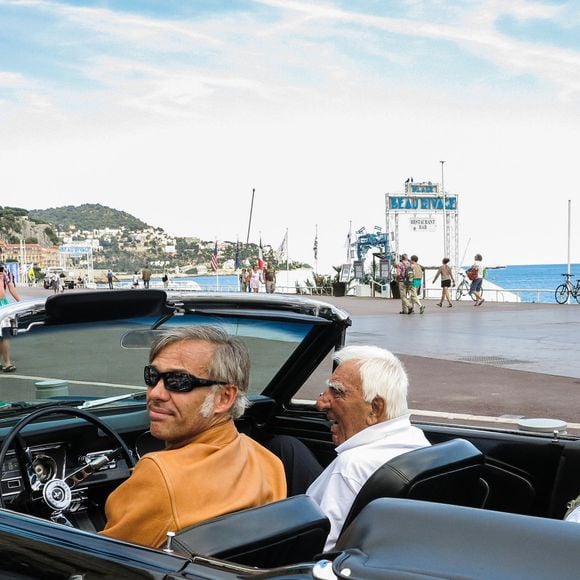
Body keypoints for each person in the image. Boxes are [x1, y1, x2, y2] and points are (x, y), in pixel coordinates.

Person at [100, 325, 286, 548]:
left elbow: (101, 564)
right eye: (152, 376)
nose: (155, 393)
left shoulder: (160, 475)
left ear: (224, 398)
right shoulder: (269, 463)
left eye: (178, 381)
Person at [306, 345, 431, 551]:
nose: (321, 403)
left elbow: (320, 553)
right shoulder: (417, 441)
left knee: (285, 447)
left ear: (375, 408)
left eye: (337, 391)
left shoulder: (350, 467)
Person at [0, 264, 21, 373]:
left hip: (2, 305)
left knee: (4, 335)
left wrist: (20, 303)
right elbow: (2, 294)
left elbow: (11, 286)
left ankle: (6, 362)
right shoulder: (4, 271)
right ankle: (7, 363)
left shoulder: (4, 270)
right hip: (2, 304)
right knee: (4, 335)